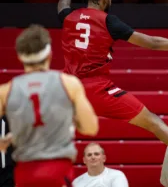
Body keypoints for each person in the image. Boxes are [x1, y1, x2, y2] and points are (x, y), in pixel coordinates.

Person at [57, 0, 168, 179]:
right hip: (96, 89)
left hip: (68, 90)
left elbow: (62, 5)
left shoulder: (68, 16)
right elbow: (153, 42)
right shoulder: (108, 21)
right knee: (154, 122)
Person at [0, 24, 99, 187]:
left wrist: (11, 138)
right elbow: (90, 128)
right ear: (50, 55)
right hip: (57, 171)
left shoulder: (6, 91)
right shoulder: (69, 84)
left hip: (25, 174)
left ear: (20, 57)